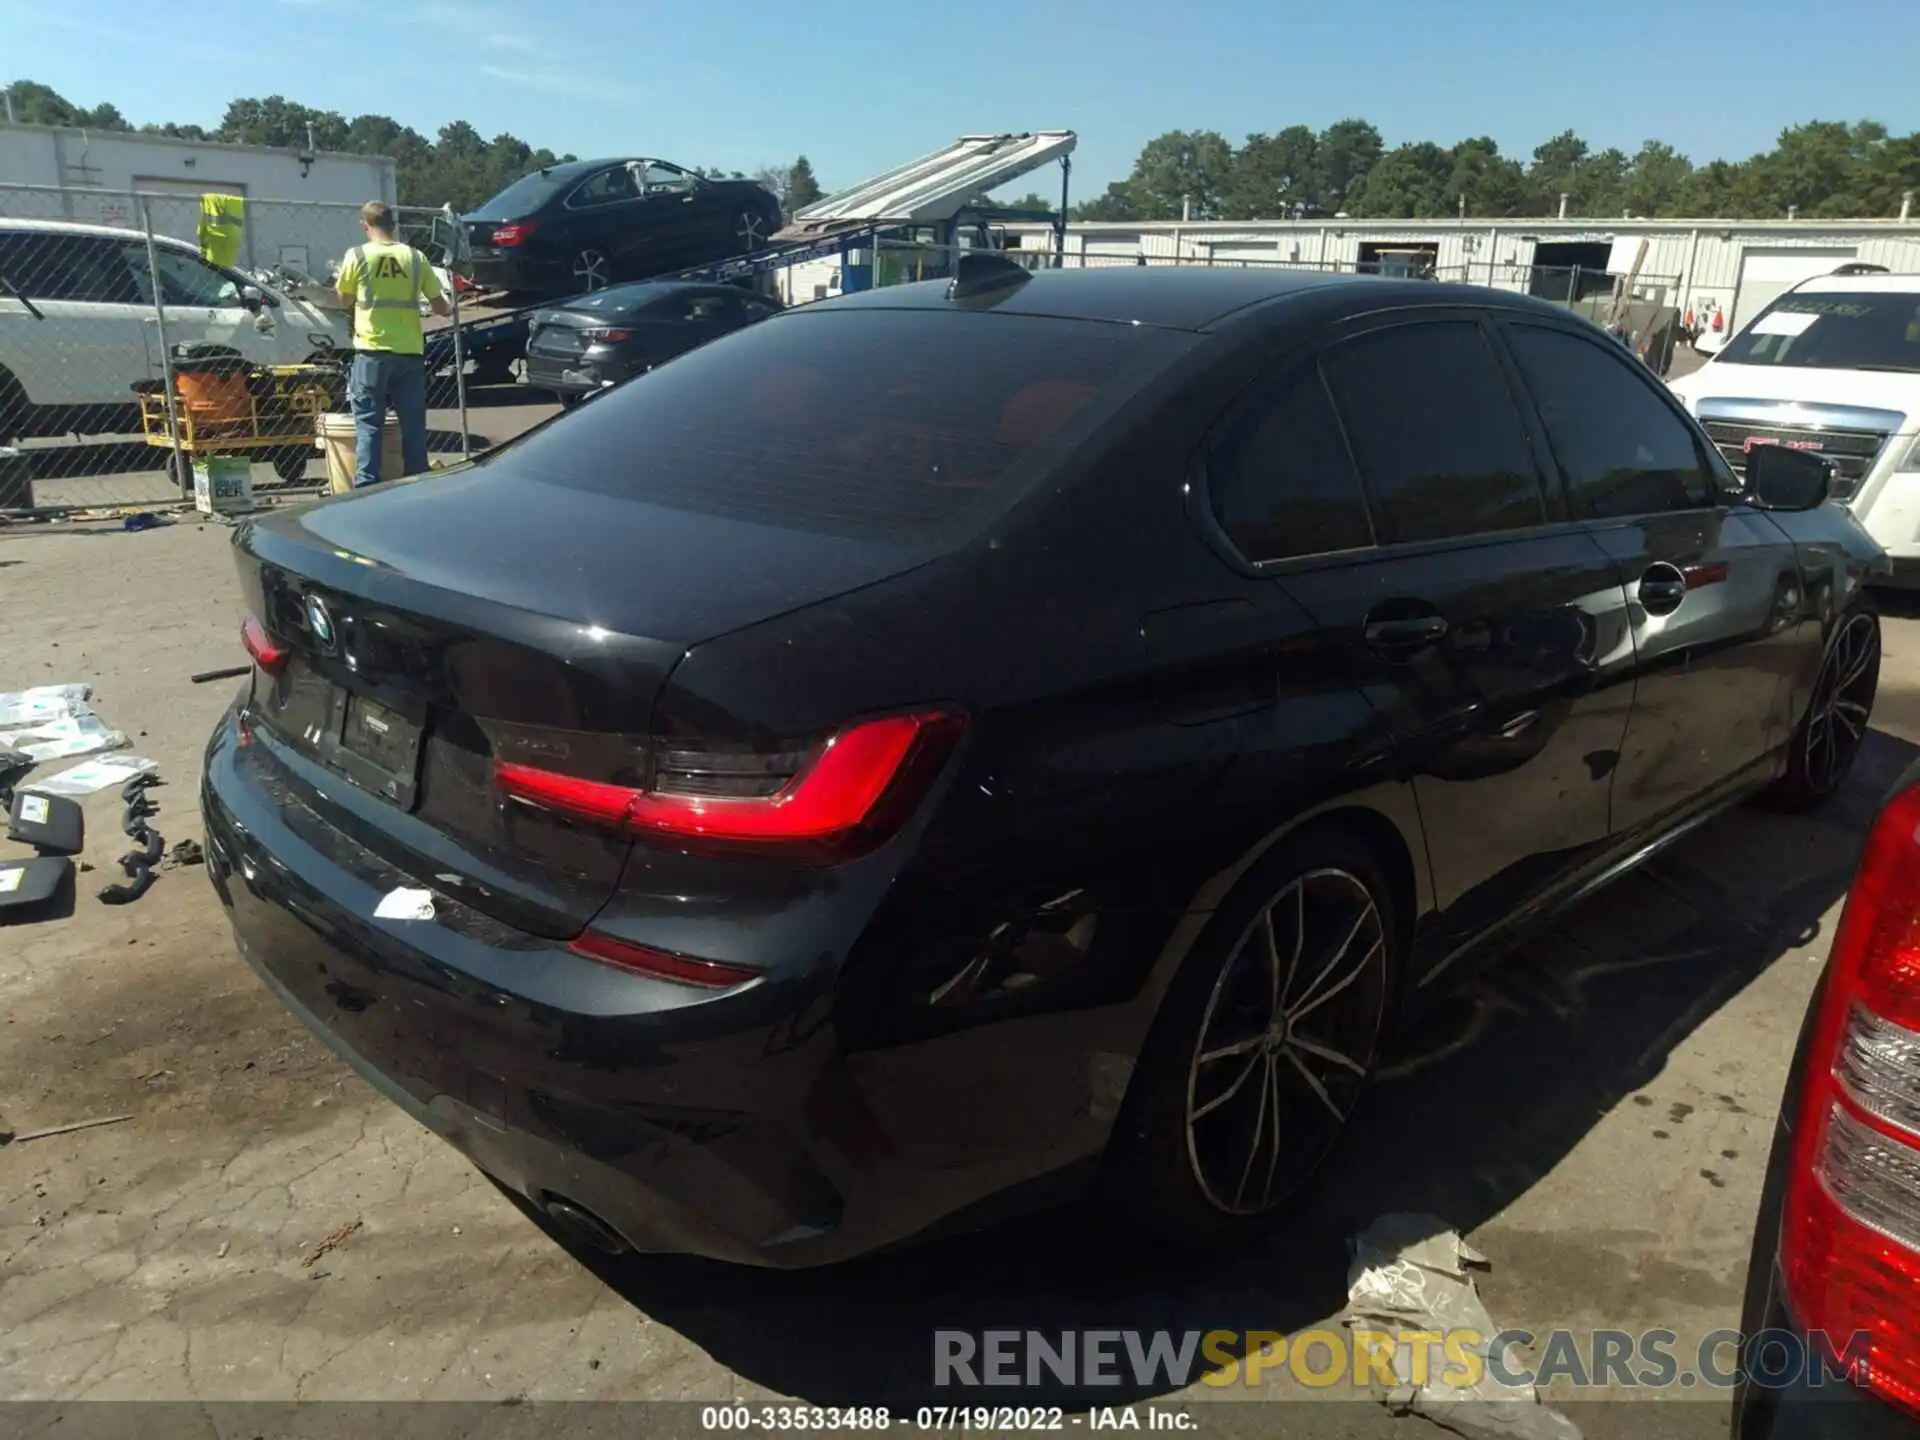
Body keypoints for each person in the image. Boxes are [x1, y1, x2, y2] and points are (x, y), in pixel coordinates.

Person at [335, 201, 451, 488]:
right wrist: (449, 306)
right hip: (409, 352)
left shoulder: (357, 255)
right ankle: (417, 480)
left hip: (372, 352)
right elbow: (440, 306)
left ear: (365, 225)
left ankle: (366, 486)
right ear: (393, 225)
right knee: (412, 425)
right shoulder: (415, 257)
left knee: (369, 425)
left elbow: (343, 299)